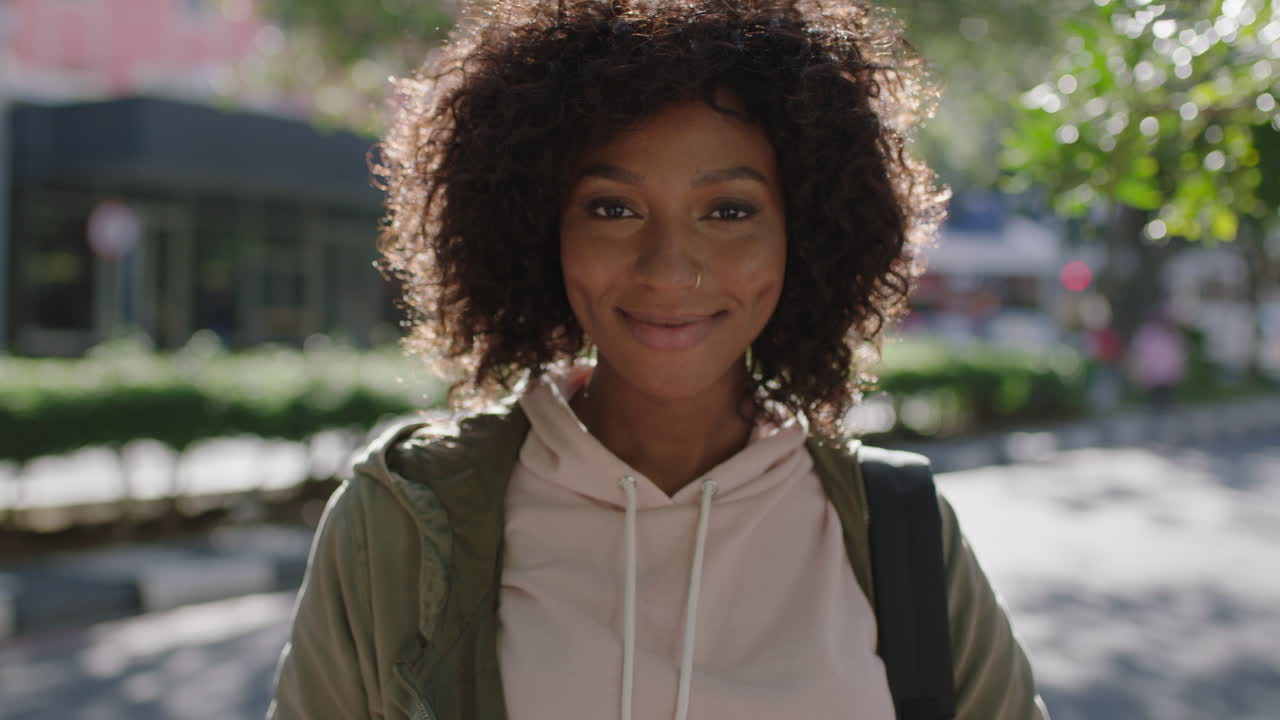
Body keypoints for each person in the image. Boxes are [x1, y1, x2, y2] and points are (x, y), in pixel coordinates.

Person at [269, 1, 1049, 718]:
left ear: (803, 232)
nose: (670, 269)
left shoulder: (899, 532)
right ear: (542, 227)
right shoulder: (404, 519)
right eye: (613, 207)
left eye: (729, 211)